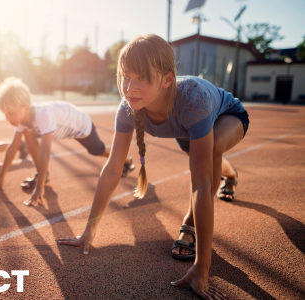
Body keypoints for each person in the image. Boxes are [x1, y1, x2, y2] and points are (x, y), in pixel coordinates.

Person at [58, 34, 249, 300]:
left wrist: (202, 266)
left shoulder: (193, 100)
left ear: (167, 79)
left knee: (211, 152)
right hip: (188, 129)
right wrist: (89, 229)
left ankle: (189, 223)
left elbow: (202, 185)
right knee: (205, 157)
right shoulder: (127, 109)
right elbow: (113, 168)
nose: (130, 88)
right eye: (126, 77)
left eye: (142, 78)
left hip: (228, 116)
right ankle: (231, 175)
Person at [0, 77, 135, 206]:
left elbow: (45, 153)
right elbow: (13, 147)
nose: (8, 118)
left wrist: (39, 188)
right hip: (64, 126)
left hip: (81, 126)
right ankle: (42, 174)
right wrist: (1, 177)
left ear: (26, 108)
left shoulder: (43, 115)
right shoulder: (22, 119)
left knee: (98, 151)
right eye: (6, 114)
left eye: (11, 113)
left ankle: (126, 161)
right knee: (27, 133)